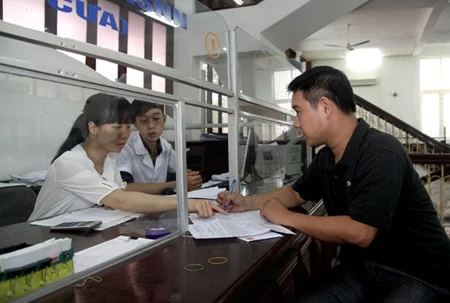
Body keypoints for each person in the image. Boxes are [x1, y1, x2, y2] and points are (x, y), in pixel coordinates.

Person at [217, 66, 450, 302]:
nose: (296, 123)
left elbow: (361, 232)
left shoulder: (381, 151)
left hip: (418, 274)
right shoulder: (326, 157)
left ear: (326, 108)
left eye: (298, 112)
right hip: (364, 269)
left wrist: (286, 217)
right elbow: (296, 193)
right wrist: (247, 203)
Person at [28, 93, 225, 221]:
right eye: (116, 127)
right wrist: (187, 204)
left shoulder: (109, 161)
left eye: (127, 127)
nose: (124, 134)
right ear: (92, 127)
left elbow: (115, 201)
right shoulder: (69, 163)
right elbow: (121, 200)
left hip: (80, 234)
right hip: (43, 241)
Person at [117, 99, 202, 194]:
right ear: (135, 124)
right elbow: (126, 187)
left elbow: (181, 173)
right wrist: (176, 184)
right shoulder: (125, 149)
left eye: (156, 119)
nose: (151, 126)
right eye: (144, 120)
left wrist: (193, 179)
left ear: (164, 120)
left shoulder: (166, 147)